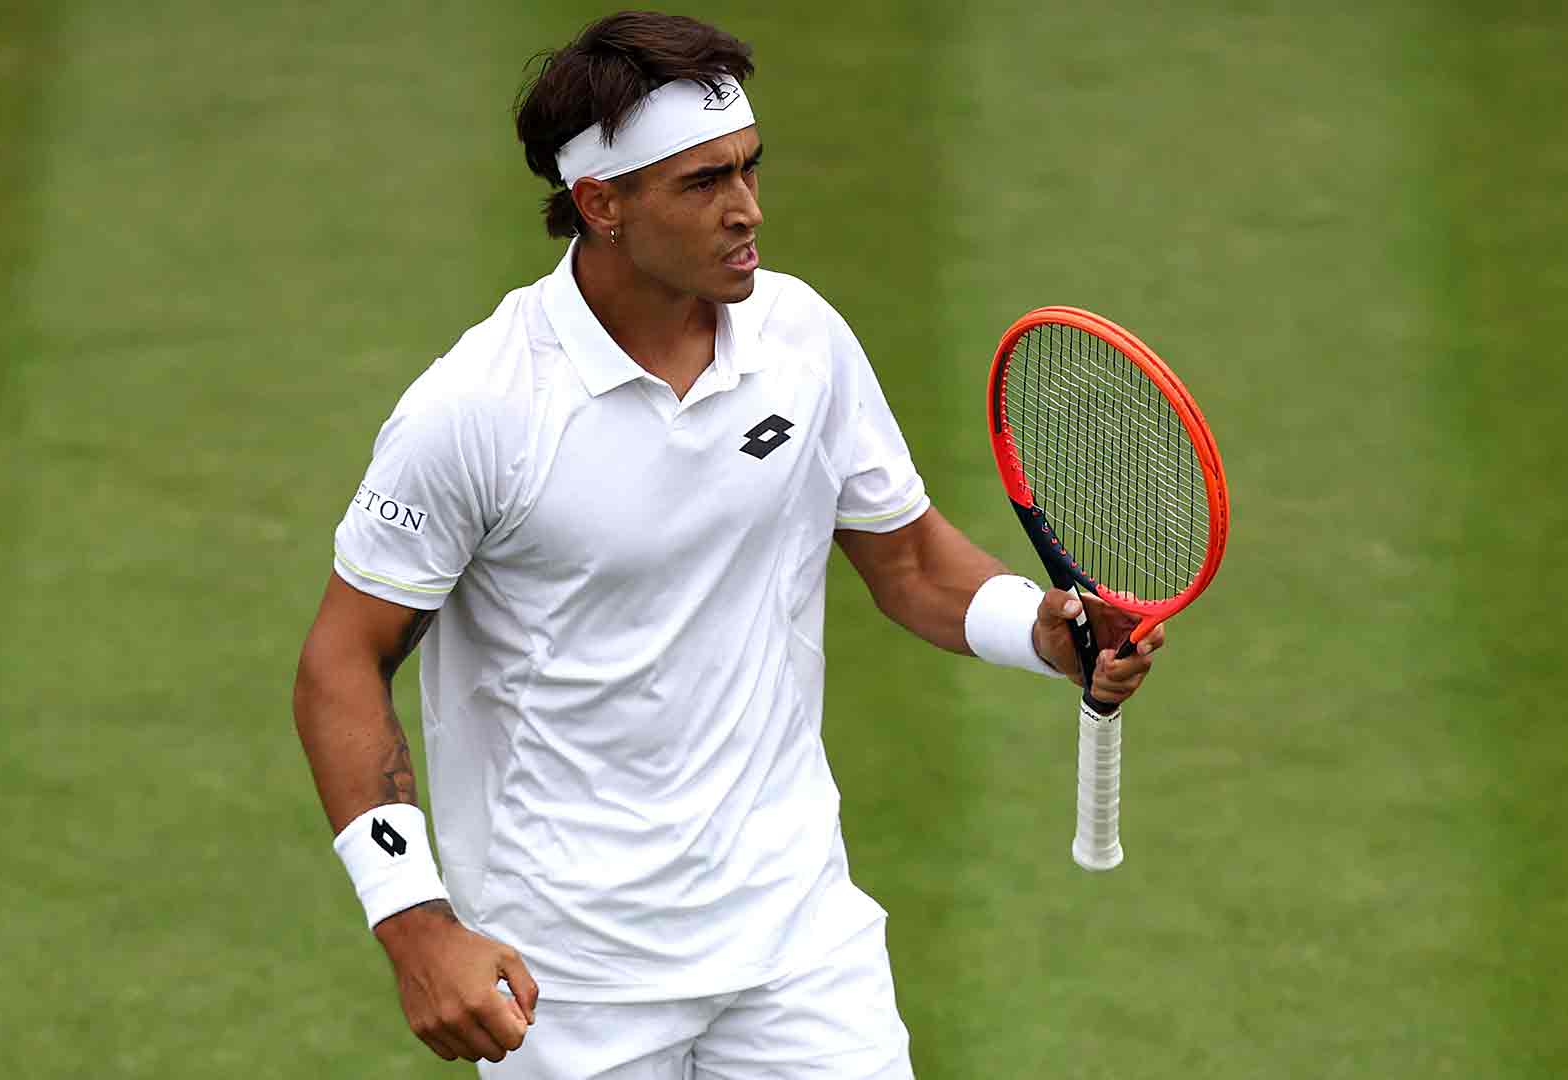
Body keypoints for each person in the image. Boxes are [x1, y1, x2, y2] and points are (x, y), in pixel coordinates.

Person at [292, 11, 1163, 1077]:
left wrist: (1042, 630)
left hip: (797, 942)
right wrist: (414, 924)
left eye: (750, 169)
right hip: (571, 978)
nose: (748, 211)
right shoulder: (475, 409)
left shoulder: (803, 339)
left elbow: (911, 563)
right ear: (600, 204)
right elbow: (343, 659)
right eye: (703, 183)